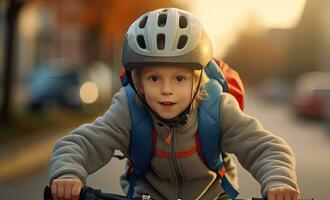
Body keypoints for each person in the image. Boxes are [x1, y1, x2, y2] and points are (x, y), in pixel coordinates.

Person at [49, 7, 300, 200]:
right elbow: (81, 143)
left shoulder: (217, 109)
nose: (166, 90)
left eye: (179, 78)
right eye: (154, 78)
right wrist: (68, 173)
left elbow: (266, 148)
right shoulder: (128, 108)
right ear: (138, 82)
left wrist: (278, 181)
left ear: (197, 80)